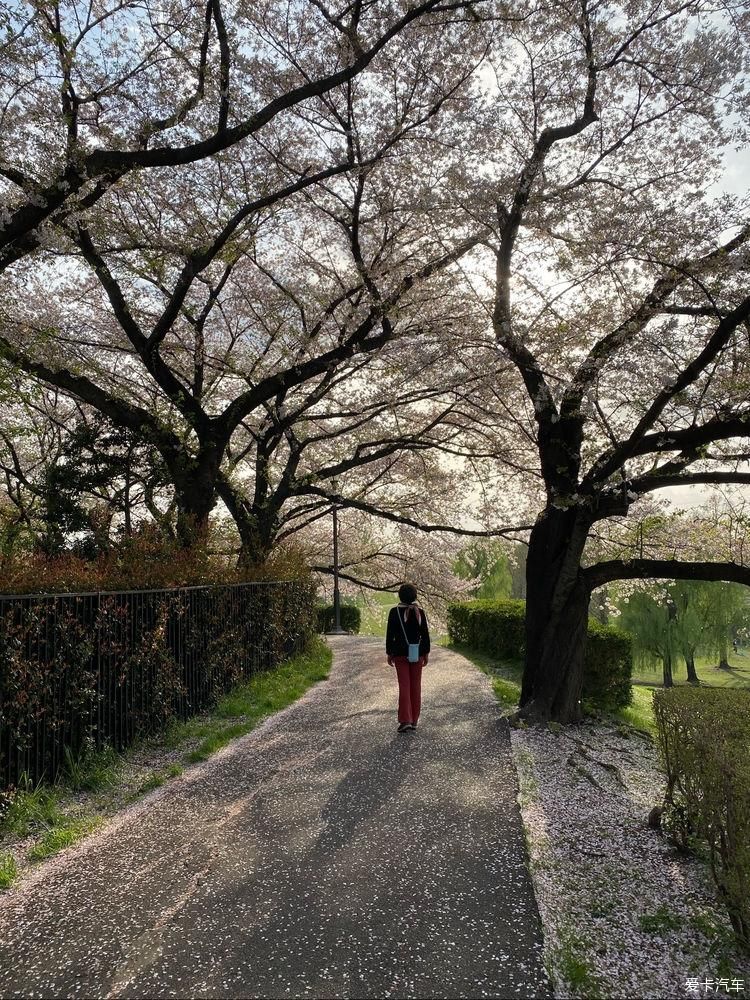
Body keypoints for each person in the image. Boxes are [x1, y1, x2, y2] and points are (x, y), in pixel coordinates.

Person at [386, 583, 430, 732]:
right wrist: (426, 653)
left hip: (399, 654)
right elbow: (425, 634)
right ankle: (415, 719)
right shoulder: (419, 612)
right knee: (415, 686)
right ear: (415, 596)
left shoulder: (394, 612)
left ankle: (406, 719)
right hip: (417, 654)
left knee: (404, 686)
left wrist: (389, 652)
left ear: (400, 596)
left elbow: (390, 635)